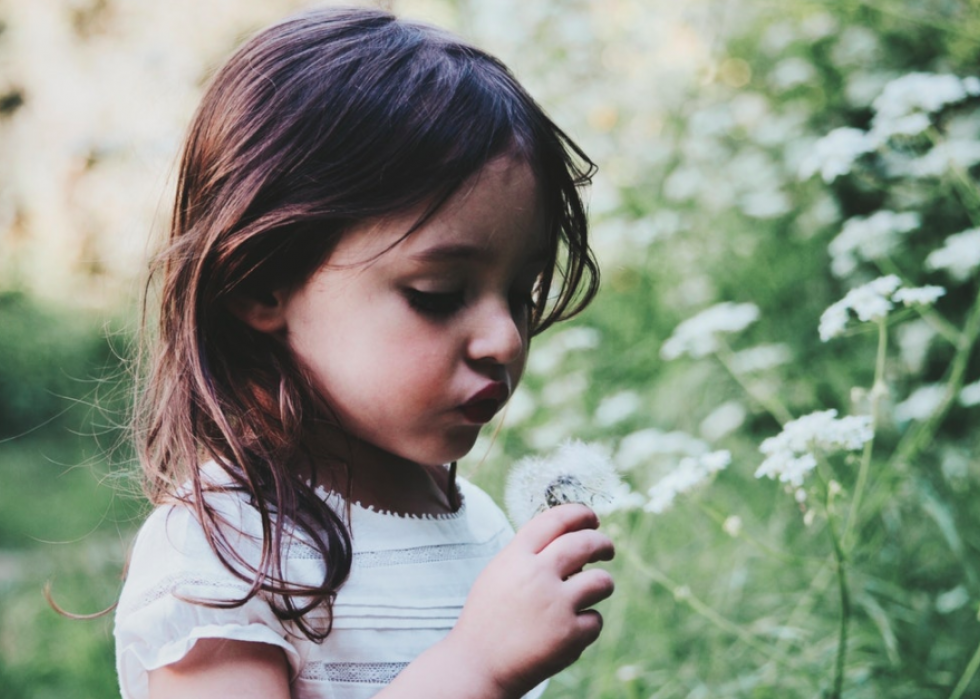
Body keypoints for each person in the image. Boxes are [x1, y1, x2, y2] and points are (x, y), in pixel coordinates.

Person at [114, 6, 614, 699]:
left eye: (522, 292)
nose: (505, 338)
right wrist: (476, 666)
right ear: (261, 281)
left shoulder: (480, 525)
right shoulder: (217, 554)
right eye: (438, 293)